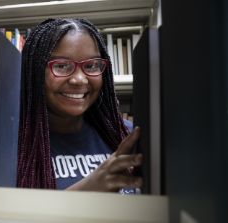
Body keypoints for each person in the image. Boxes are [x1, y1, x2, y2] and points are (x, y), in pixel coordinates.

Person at [17, 18, 143, 192]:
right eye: (61, 66)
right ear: (35, 72)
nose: (79, 79)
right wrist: (87, 191)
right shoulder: (13, 148)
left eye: (91, 66)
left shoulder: (128, 137)